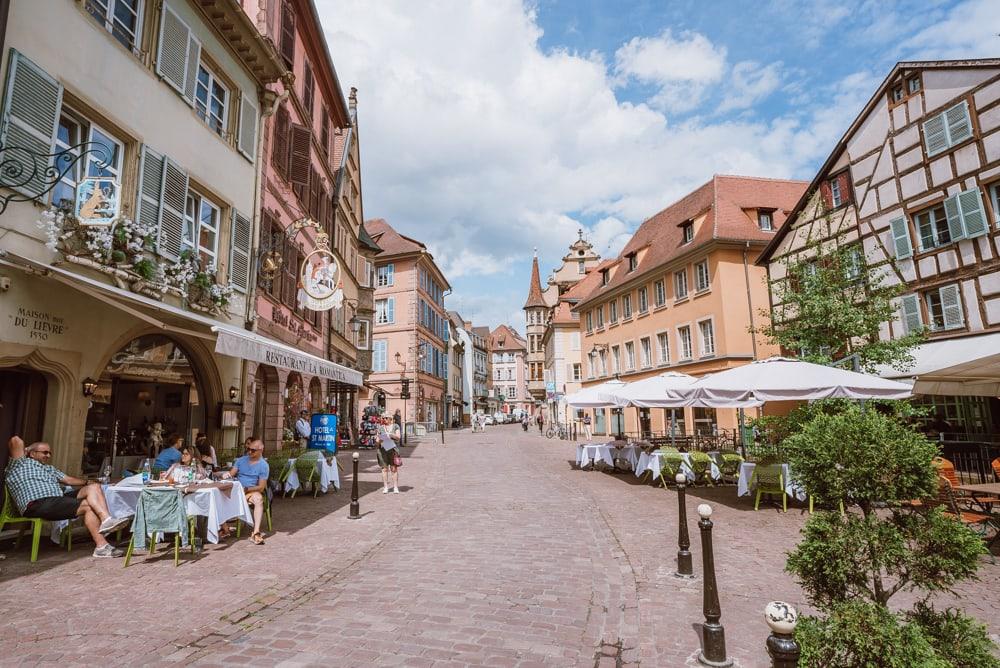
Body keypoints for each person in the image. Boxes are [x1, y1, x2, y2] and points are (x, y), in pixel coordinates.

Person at [5, 436, 130, 558]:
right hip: (37, 503)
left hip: (57, 499)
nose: (48, 456)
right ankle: (102, 546)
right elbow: (15, 440)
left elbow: (69, 480)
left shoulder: (49, 468)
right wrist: (27, 450)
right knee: (88, 506)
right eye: (45, 452)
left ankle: (107, 520)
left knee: (94, 487)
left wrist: (88, 482)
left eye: (49, 453)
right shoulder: (20, 464)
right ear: (32, 454)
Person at [228, 438, 269, 545]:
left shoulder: (263, 465)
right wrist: (224, 475)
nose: (249, 452)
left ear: (261, 450)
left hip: (250, 491)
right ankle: (223, 528)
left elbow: (261, 487)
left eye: (253, 450)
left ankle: (256, 532)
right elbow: (230, 475)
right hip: (236, 490)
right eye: (248, 449)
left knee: (259, 499)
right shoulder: (241, 460)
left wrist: (246, 489)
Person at [376, 417, 401, 494]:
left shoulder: (396, 426)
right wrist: (380, 440)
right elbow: (377, 441)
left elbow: (398, 437)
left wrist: (390, 435)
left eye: (386, 418)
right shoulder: (380, 428)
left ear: (390, 418)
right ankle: (385, 487)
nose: (384, 419)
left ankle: (395, 487)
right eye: (383, 418)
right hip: (383, 450)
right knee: (384, 469)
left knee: (394, 468)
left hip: (393, 450)